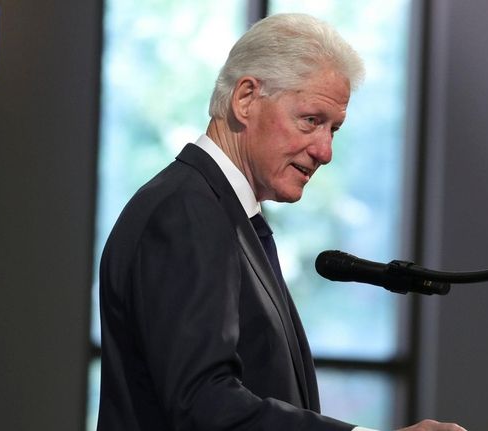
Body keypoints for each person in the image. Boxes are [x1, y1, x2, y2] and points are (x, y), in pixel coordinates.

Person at [97, 13, 465, 431]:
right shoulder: (186, 210)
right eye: (311, 120)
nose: (325, 151)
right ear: (246, 99)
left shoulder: (223, 212)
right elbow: (202, 403)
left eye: (334, 129)